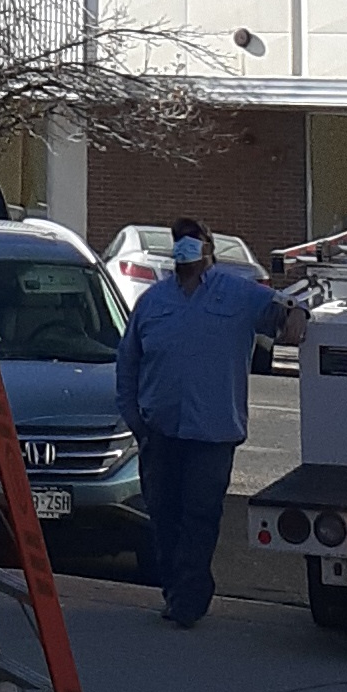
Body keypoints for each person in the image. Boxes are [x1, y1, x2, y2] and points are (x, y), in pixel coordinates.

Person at [115, 218, 308, 629]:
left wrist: (298, 314)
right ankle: (174, 591)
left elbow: (284, 310)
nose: (187, 251)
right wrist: (136, 420)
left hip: (212, 433)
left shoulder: (237, 294)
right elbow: (128, 362)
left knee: (200, 516)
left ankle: (190, 599)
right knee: (164, 515)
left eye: (194, 243)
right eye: (180, 243)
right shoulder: (152, 301)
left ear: (207, 249)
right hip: (159, 431)